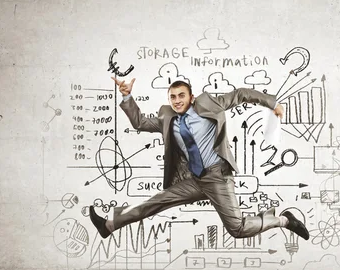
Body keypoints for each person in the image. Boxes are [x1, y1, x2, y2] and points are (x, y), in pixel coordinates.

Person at [88, 76, 309, 241]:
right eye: (172, 97)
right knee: (154, 203)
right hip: (195, 180)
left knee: (238, 230)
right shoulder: (168, 118)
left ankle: (283, 220)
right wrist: (127, 96)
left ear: (191, 97)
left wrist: (271, 103)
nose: (176, 101)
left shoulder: (209, 104)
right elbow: (140, 123)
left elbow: (241, 94)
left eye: (181, 95)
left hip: (218, 177)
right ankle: (108, 226)